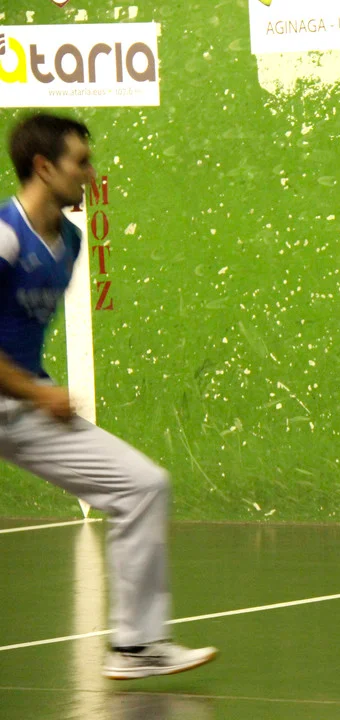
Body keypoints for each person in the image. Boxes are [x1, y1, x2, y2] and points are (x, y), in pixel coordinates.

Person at [0, 113, 218, 679]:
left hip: (19, 404)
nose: (92, 174)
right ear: (43, 167)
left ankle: (136, 647)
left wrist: (32, 392)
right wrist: (36, 393)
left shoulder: (71, 242)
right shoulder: (3, 236)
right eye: (81, 162)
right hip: (22, 398)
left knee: (143, 485)